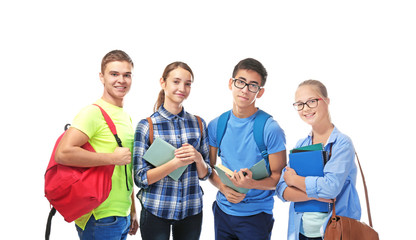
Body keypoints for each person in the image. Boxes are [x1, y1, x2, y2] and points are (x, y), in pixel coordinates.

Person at [55, 50, 138, 240]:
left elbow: (125, 168)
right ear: (102, 77)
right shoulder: (93, 113)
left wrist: (132, 209)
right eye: (114, 74)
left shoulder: (125, 116)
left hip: (121, 214)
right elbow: (63, 153)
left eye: (127, 75)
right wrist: (111, 158)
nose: (121, 80)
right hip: (99, 215)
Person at [207, 58, 286, 240]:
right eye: (241, 82)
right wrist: (223, 188)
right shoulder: (216, 125)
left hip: (256, 217)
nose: (245, 90)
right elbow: (208, 168)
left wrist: (252, 184)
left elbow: (279, 177)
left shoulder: (270, 128)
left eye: (253, 86)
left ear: (260, 92)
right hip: (222, 213)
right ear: (231, 83)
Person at [133, 61, 211, 240]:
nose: (182, 88)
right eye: (176, 81)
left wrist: (198, 159)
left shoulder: (199, 123)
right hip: (156, 210)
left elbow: (205, 174)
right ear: (163, 82)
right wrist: (175, 163)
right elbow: (140, 178)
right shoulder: (146, 126)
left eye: (187, 83)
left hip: (191, 210)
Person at [275, 80, 362, 240]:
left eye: (311, 101)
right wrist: (315, 195)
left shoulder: (342, 143)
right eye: (300, 104)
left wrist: (295, 180)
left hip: (334, 232)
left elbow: (330, 188)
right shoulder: (302, 144)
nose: (305, 109)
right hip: (301, 232)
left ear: (327, 101)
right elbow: (281, 189)